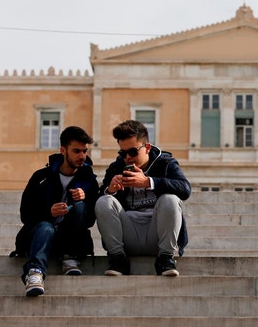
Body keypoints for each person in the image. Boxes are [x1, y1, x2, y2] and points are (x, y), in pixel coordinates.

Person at [95, 119, 191, 277]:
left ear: (147, 148)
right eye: (123, 153)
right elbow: (98, 204)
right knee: (104, 200)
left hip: (158, 236)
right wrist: (110, 190)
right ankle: (118, 260)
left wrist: (148, 182)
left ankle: (166, 258)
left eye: (133, 152)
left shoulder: (165, 163)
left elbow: (185, 189)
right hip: (128, 236)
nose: (128, 157)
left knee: (170, 199)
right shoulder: (116, 167)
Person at [13, 126, 99, 297]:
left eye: (84, 151)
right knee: (46, 227)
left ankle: (70, 258)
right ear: (63, 150)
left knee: (80, 206)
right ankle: (35, 273)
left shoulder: (89, 180)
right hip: (41, 237)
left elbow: (90, 221)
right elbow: (25, 214)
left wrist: (86, 199)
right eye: (76, 151)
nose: (82, 156)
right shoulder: (41, 177)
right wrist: (49, 212)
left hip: (71, 240)